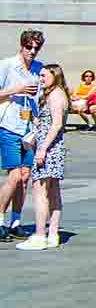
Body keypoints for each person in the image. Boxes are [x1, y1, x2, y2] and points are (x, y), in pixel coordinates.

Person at [12, 62, 69, 252]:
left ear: (55, 75)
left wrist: (42, 148)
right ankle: (53, 233)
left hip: (49, 149)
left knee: (40, 192)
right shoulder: (55, 94)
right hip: (54, 147)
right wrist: (32, 119)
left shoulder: (55, 95)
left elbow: (57, 124)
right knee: (53, 191)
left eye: (44, 75)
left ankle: (39, 235)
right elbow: (48, 122)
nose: (41, 78)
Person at [0, 30, 45, 240]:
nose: (32, 51)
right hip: (9, 125)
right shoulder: (7, 65)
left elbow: (41, 95)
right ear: (22, 45)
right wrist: (16, 89)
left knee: (25, 177)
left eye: (36, 48)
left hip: (29, 129)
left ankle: (15, 221)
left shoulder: (38, 68)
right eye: (29, 47)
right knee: (14, 176)